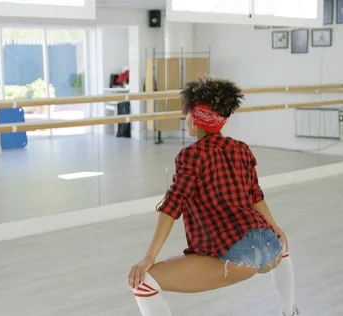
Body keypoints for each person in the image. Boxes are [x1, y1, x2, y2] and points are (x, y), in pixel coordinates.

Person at [127, 77, 299, 316]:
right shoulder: (240, 148)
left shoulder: (191, 156)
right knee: (282, 244)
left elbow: (171, 208)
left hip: (239, 259)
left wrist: (149, 257)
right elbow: (255, 196)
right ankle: (290, 312)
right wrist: (275, 226)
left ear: (196, 120)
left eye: (187, 114)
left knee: (143, 281)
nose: (184, 118)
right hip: (269, 247)